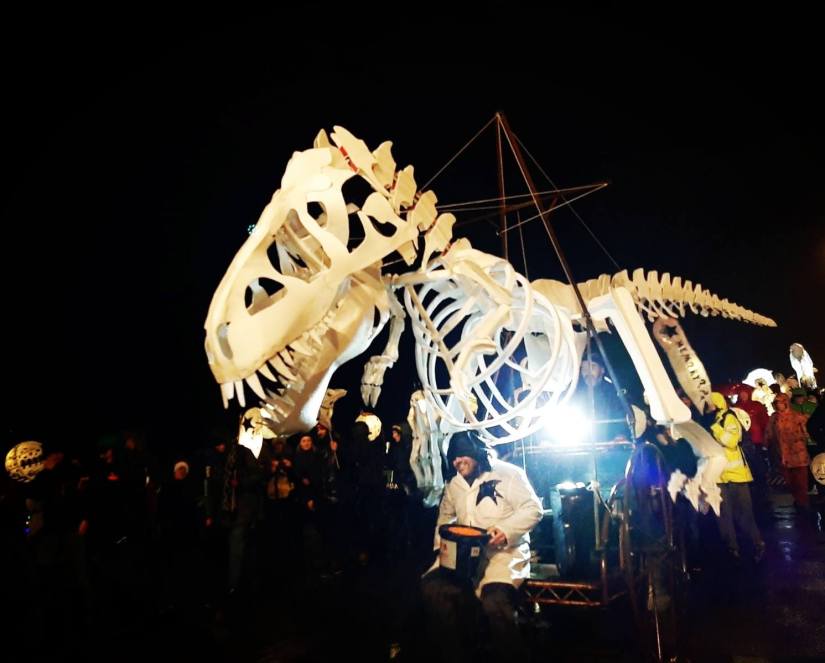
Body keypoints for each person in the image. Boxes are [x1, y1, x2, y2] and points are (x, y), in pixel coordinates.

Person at [419, 430, 542, 662]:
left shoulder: (508, 474)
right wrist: (442, 545)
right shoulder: (454, 484)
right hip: (464, 555)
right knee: (432, 588)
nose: (457, 462)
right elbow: (445, 517)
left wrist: (505, 530)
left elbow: (532, 509)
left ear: (476, 452)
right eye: (453, 457)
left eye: (462, 455)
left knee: (494, 601)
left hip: (503, 554)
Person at [709, 391, 765, 563]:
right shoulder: (713, 421)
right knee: (724, 516)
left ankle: (757, 544)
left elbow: (732, 441)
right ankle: (732, 549)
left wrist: (715, 429)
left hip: (737, 477)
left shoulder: (728, 418)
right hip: (719, 478)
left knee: (744, 515)